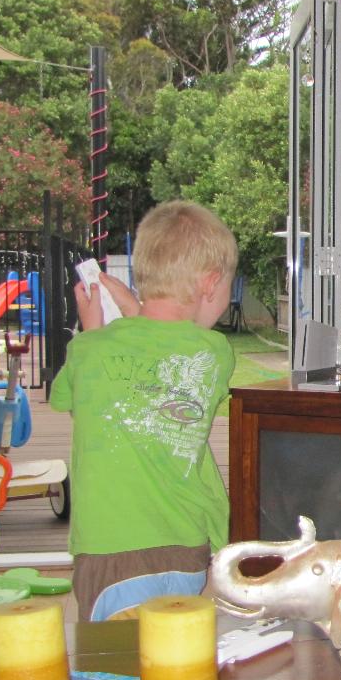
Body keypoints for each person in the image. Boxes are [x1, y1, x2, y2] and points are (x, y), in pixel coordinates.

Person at [50, 200, 238, 621]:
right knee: (173, 663)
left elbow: (68, 399)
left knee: (116, 671)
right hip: (185, 544)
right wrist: (135, 313)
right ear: (209, 283)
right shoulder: (214, 353)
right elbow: (165, 357)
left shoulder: (89, 351)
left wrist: (93, 329)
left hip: (107, 549)